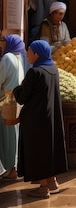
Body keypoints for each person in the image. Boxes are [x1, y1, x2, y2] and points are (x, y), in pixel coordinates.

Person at [13, 40, 67, 199]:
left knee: (38, 152)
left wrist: (16, 90)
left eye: (29, 51)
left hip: (35, 120)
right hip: (50, 118)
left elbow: (22, 97)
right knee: (48, 150)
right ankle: (52, 182)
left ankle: (43, 188)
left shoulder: (34, 72)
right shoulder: (53, 69)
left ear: (37, 54)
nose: (27, 54)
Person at [0, 35, 26, 180]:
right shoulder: (19, 59)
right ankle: (14, 168)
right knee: (14, 136)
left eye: (3, 41)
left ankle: (10, 169)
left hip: (5, 104)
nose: (1, 44)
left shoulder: (7, 58)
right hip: (15, 103)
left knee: (6, 137)